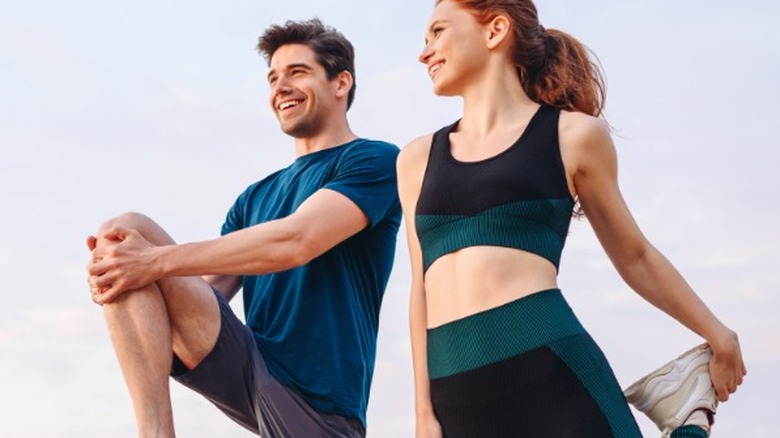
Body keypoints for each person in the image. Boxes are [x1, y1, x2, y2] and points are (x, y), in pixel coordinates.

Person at [396, 1, 746, 437]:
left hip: (550, 371)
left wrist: (718, 333)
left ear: (495, 31)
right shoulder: (415, 160)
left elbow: (634, 255)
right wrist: (422, 411)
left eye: (438, 32)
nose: (424, 53)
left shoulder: (573, 136)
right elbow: (419, 290)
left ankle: (691, 413)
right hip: (455, 392)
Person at [86, 18, 401, 438]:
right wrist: (121, 278)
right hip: (251, 366)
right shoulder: (253, 197)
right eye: (273, 77)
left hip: (321, 402)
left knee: (141, 255)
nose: (280, 87)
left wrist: (151, 261)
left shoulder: (374, 161)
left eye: (298, 73)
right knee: (122, 234)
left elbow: (297, 240)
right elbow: (205, 294)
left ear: (341, 83)